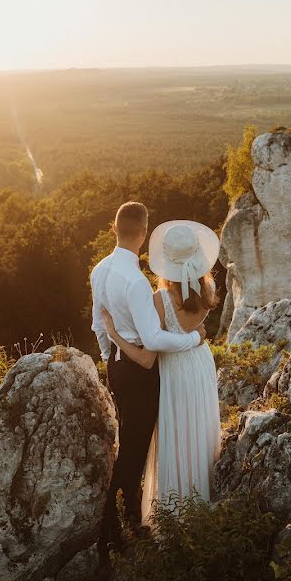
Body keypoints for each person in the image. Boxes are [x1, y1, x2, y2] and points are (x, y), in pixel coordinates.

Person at [91, 204, 206, 554]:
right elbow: (153, 340)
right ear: (143, 233)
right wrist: (193, 340)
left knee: (131, 445)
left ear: (114, 228)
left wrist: (109, 357)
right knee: (134, 451)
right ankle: (117, 529)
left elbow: (98, 324)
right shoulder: (137, 282)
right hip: (141, 371)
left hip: (117, 365)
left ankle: (122, 522)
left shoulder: (100, 270)